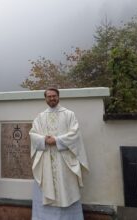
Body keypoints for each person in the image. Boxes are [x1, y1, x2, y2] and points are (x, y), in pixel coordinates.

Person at [29, 88, 89, 220]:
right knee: (46, 189)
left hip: (64, 161)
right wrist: (44, 140)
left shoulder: (69, 115)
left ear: (58, 96)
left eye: (54, 96)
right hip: (46, 160)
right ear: (45, 98)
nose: (52, 98)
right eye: (49, 96)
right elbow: (33, 134)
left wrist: (56, 140)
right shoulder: (40, 117)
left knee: (65, 192)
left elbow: (75, 134)